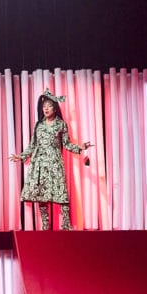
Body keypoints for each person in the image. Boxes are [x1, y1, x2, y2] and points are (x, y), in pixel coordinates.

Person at [10, 89, 91, 230]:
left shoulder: (61, 124)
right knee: (41, 195)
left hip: (55, 163)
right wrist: (21, 156)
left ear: (55, 109)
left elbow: (66, 144)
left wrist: (80, 147)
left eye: (49, 106)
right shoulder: (39, 125)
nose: (46, 109)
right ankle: (45, 225)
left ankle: (66, 224)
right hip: (40, 163)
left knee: (61, 193)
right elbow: (32, 146)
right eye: (44, 106)